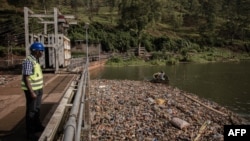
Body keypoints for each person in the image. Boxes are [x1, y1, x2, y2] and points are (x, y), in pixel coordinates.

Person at [21, 42, 45, 140]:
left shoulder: (36, 60)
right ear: (36, 51)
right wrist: (31, 92)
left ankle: (37, 126)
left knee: (37, 108)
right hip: (32, 90)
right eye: (41, 51)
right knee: (31, 111)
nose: (42, 53)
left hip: (38, 89)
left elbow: (36, 75)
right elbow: (26, 77)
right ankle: (30, 133)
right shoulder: (29, 61)